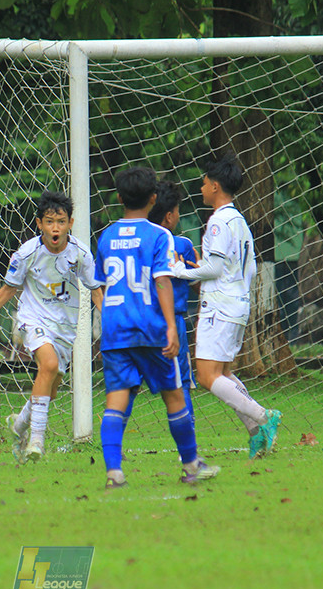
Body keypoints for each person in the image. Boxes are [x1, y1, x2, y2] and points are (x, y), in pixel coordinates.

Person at [0, 191, 102, 462]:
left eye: (61, 221)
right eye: (50, 221)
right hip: (34, 320)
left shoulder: (80, 253)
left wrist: (113, 322)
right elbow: (8, 290)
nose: (56, 228)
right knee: (49, 365)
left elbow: (97, 291)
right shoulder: (27, 253)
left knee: (51, 388)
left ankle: (19, 423)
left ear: (71, 223)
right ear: (39, 223)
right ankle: (36, 441)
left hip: (66, 326)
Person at [95, 166, 220, 488]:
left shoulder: (106, 236)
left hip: (115, 328)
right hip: (150, 326)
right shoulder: (159, 235)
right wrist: (170, 326)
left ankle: (114, 472)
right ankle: (192, 466)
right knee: (174, 395)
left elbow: (99, 284)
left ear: (120, 197)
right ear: (153, 199)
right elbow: (162, 280)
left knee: (117, 397)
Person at [171, 154, 282, 459]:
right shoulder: (239, 221)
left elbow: (215, 269)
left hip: (219, 307)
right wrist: (205, 269)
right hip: (237, 303)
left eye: (205, 182)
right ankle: (257, 432)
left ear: (216, 185)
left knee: (206, 376)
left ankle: (263, 415)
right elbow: (242, 268)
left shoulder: (218, 221)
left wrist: (181, 271)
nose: (202, 186)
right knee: (223, 373)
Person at [148, 180, 198, 421]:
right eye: (178, 210)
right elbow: (198, 282)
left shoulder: (139, 242)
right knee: (181, 382)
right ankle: (188, 443)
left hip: (140, 318)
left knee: (128, 383)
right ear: (169, 216)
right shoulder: (182, 245)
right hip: (173, 322)